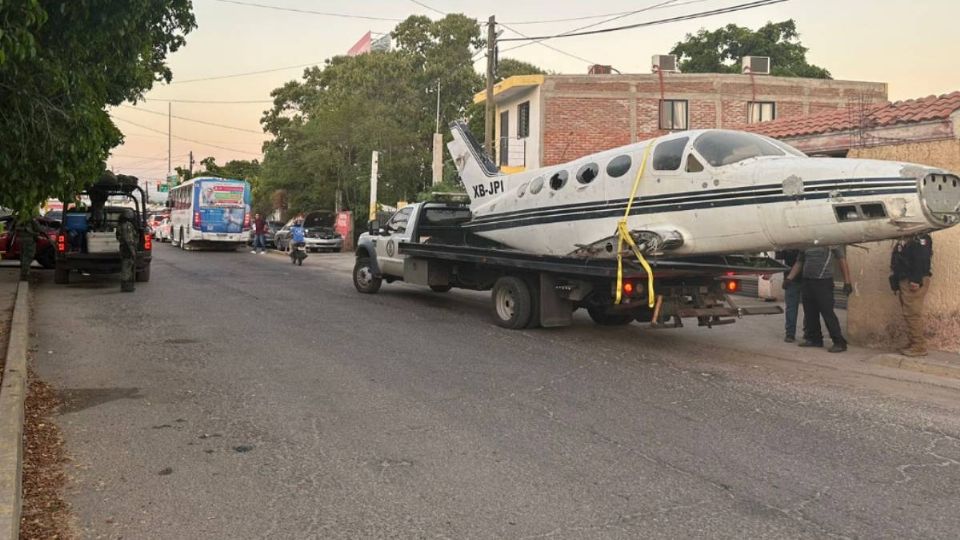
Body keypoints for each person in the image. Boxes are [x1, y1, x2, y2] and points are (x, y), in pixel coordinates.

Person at [784, 245, 853, 353]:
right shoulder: (806, 242)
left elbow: (841, 260)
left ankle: (839, 342)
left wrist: (847, 281)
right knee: (810, 312)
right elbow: (799, 262)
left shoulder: (831, 241)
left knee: (827, 313)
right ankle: (814, 339)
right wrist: (789, 278)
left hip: (823, 282)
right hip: (807, 281)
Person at [890, 233, 933, 357]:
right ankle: (913, 342)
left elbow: (922, 259)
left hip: (913, 280)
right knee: (908, 313)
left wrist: (916, 279)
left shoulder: (921, 238)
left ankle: (919, 346)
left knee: (912, 313)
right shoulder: (905, 238)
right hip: (905, 279)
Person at [776, 249, 803, 343]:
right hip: (792, 280)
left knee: (808, 309)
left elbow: (778, 260)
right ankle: (790, 334)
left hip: (806, 279)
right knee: (792, 308)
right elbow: (778, 260)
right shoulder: (786, 243)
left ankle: (794, 334)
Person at [117, 208, 138, 292]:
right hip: (127, 248)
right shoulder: (127, 225)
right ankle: (126, 286)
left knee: (127, 266)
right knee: (127, 267)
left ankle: (127, 286)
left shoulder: (122, 224)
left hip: (125, 247)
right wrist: (132, 251)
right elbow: (128, 239)